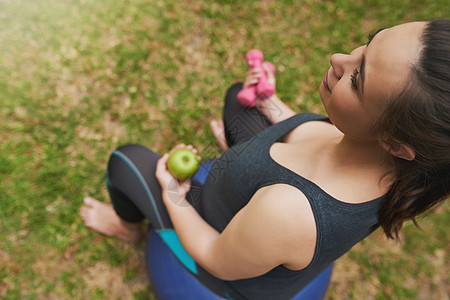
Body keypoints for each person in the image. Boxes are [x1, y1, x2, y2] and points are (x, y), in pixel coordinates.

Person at [80, 20, 450, 299]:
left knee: (127, 161)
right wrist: (267, 102)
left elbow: (214, 256)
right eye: (368, 44)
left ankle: (127, 228)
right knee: (237, 100)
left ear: (395, 143)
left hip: (221, 260)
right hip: (255, 221)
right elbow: (306, 131)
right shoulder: (383, 156)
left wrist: (172, 193)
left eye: (357, 79)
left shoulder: (289, 212)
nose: (339, 59)